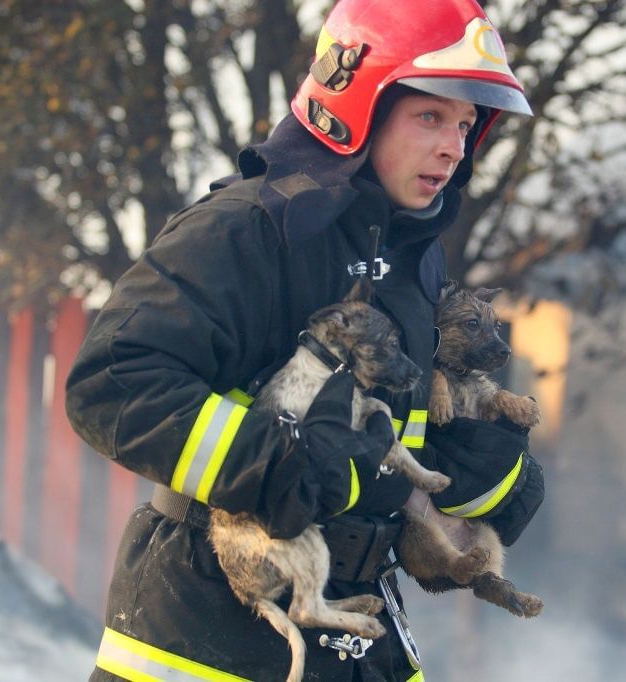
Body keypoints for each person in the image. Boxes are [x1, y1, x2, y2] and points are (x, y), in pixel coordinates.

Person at [64, 1, 544, 680]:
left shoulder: (415, 256)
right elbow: (112, 382)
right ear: (355, 102)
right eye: (431, 116)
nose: (453, 146)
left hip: (357, 626)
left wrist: (486, 479)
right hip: (211, 628)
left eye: (466, 125)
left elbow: (373, 447)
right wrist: (278, 465)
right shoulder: (248, 228)